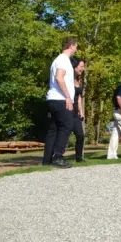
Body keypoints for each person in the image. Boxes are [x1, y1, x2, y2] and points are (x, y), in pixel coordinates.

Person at [43, 37, 79, 168]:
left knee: (54, 129)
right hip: (60, 99)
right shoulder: (63, 60)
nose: (76, 49)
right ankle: (58, 157)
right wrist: (68, 97)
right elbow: (59, 77)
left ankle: (47, 159)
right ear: (71, 46)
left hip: (53, 99)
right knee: (66, 127)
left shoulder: (57, 60)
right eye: (76, 46)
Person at [71, 57, 86, 163]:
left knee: (80, 135)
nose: (83, 68)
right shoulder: (67, 78)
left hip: (76, 112)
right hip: (67, 110)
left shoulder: (78, 79)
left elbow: (79, 97)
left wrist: (81, 111)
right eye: (81, 66)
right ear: (74, 67)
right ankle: (56, 156)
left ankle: (79, 157)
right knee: (63, 135)